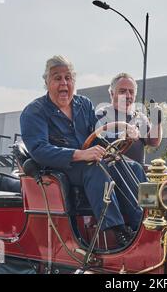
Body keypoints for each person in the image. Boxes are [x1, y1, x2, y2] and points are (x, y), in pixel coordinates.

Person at [20, 55, 144, 247]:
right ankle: (117, 231)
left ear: (74, 81)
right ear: (47, 82)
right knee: (96, 168)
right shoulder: (34, 111)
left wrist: (125, 133)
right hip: (61, 168)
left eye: (68, 78)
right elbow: (39, 150)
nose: (64, 83)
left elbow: (99, 135)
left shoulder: (83, 104)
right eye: (57, 78)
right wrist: (79, 154)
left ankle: (143, 224)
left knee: (132, 166)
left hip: (90, 160)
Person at [95, 73, 162, 165]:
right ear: (112, 93)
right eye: (122, 91)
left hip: (139, 172)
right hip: (113, 170)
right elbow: (99, 140)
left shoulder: (140, 117)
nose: (128, 96)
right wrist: (124, 136)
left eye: (131, 92)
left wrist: (156, 123)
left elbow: (153, 142)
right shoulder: (102, 115)